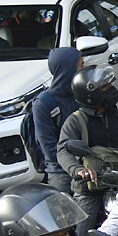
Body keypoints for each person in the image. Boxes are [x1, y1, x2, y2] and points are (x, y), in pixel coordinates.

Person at [56, 65, 118, 236]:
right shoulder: (76, 121)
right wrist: (78, 170)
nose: (112, 90)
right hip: (91, 188)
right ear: (91, 94)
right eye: (106, 88)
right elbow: (63, 150)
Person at [32, 47, 84, 192]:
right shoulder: (43, 104)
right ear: (68, 70)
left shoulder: (83, 93)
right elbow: (49, 147)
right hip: (61, 170)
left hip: (91, 162)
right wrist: (74, 165)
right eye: (81, 66)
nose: (84, 70)